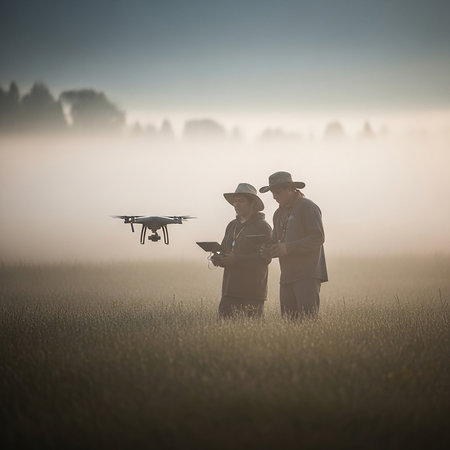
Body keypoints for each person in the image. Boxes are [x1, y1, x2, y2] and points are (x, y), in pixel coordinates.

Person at [259, 171, 328, 319]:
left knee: (308, 321)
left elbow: (318, 238)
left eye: (277, 192)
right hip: (287, 276)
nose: (274, 196)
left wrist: (287, 248)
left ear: (290, 189)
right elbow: (277, 240)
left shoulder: (308, 207)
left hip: (307, 275)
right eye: (272, 193)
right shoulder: (278, 214)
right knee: (288, 322)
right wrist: (269, 249)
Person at [212, 183, 272, 318]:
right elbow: (224, 250)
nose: (236, 205)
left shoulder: (263, 227)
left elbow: (266, 258)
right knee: (225, 331)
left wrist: (237, 259)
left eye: (241, 201)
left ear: (253, 204)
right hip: (229, 290)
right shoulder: (231, 226)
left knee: (253, 334)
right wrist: (219, 258)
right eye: (235, 201)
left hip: (252, 292)